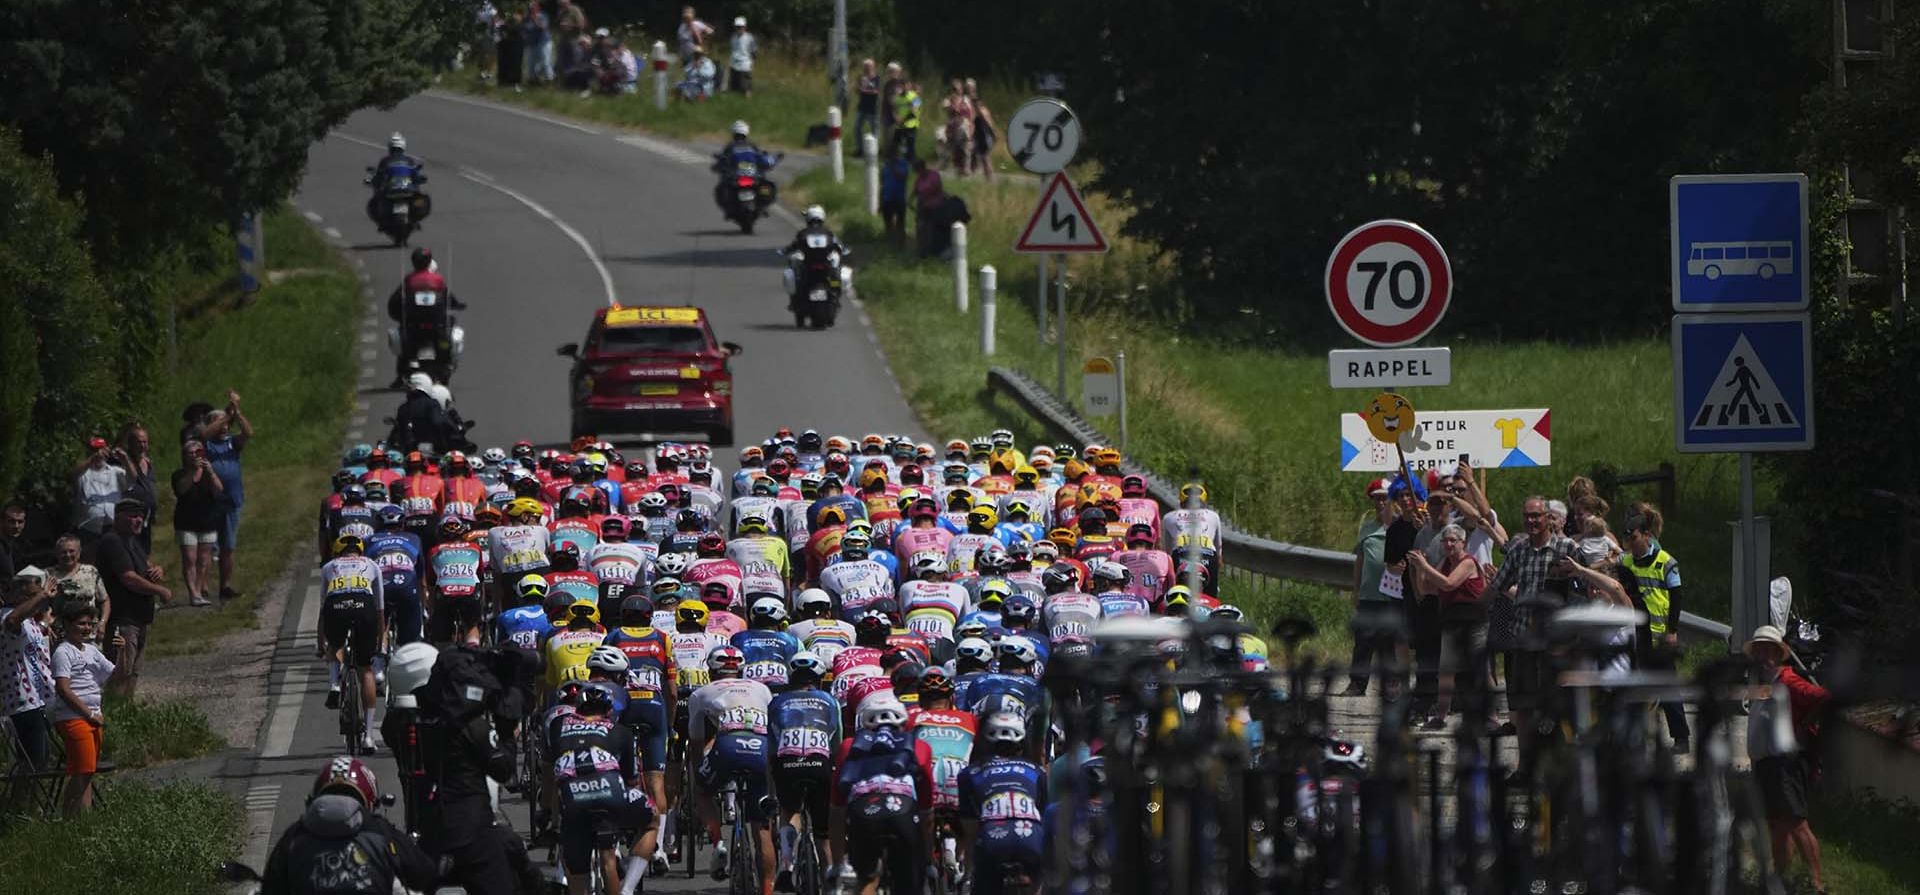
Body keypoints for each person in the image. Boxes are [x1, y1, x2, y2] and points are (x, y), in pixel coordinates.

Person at [261, 758, 438, 895]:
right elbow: (423, 873)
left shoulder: (295, 837)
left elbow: (271, 887)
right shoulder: (381, 832)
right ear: (369, 802)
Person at [1745, 625, 1829, 895]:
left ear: (1777, 653)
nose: (1762, 655)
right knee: (1776, 824)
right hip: (1766, 764)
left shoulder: (1788, 681)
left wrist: (1805, 723)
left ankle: (1815, 884)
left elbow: (1823, 698)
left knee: (1795, 822)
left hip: (1786, 764)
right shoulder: (1763, 683)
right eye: (1758, 650)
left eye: (1767, 650)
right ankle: (1779, 878)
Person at [686, 645, 777, 893]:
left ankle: (718, 844)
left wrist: (699, 775)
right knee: (762, 829)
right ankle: (768, 889)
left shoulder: (701, 693)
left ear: (711, 669)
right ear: (741, 668)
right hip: (761, 746)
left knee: (703, 792)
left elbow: (695, 741)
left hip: (727, 744)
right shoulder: (761, 688)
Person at [552, 681, 655, 895]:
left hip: (573, 797)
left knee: (576, 872)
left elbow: (550, 771)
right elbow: (631, 781)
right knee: (652, 821)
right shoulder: (622, 732)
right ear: (609, 711)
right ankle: (626, 889)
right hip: (609, 792)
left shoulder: (558, 725)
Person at [832, 695, 933, 895]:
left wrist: (837, 864)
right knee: (911, 886)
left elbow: (837, 810)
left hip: (864, 812)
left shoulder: (848, 747)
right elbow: (926, 811)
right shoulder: (919, 746)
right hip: (902, 812)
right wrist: (926, 858)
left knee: (866, 878)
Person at [768, 651, 842, 889]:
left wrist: (771, 790)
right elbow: (837, 743)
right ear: (819, 678)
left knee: (790, 811)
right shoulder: (829, 701)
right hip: (820, 764)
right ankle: (833, 880)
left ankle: (787, 863)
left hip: (787, 762)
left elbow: (771, 747)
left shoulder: (777, 701)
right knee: (824, 833)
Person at [1620, 504, 1691, 751]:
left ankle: (1681, 738)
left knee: (1667, 687)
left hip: (1660, 637)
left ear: (1647, 535)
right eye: (1627, 538)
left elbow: (1677, 597)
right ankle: (1634, 738)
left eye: (1635, 537)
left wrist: (1672, 631)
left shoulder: (1666, 562)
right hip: (1636, 635)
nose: (1631, 542)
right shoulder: (1625, 562)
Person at [1405, 524, 1485, 728]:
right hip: (1451, 621)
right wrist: (1418, 569)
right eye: (1445, 540)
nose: (1448, 544)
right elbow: (1425, 590)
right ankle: (1441, 716)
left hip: (1474, 621)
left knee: (1479, 669)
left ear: (1463, 543)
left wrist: (1425, 566)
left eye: (1453, 541)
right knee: (1446, 670)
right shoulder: (1444, 562)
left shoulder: (1467, 562)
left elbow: (1449, 584)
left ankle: (1489, 717)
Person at [959, 712, 1048, 895]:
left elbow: (970, 831)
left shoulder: (970, 773)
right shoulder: (1038, 771)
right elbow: (1043, 815)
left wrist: (968, 874)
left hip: (993, 838)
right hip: (1031, 837)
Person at [94, 498, 169, 698]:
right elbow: (128, 578)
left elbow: (145, 566)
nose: (138, 521)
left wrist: (157, 570)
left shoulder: (132, 541)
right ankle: (114, 710)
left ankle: (128, 709)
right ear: (118, 517)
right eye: (133, 516)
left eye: (141, 517)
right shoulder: (112, 541)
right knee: (121, 669)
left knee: (134, 670)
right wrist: (160, 591)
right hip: (123, 617)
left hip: (140, 617)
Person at [320, 534, 386, 752]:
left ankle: (334, 684)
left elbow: (323, 610)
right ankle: (368, 736)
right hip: (364, 606)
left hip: (336, 606)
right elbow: (380, 609)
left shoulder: (329, 567)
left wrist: (322, 643)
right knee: (365, 669)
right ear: (360, 552)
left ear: (338, 552)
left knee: (335, 645)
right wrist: (380, 640)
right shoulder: (371, 564)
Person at [50, 601, 112, 815]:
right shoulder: (63, 652)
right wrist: (89, 714)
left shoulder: (91, 650)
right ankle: (71, 816)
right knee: (82, 769)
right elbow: (63, 689)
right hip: (74, 717)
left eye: (89, 624)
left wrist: (122, 652)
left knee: (87, 771)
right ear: (67, 624)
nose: (87, 628)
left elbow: (115, 675)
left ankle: (83, 819)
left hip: (94, 716)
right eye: (81, 623)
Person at [1347, 478, 1404, 696]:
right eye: (1377, 499)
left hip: (1392, 593)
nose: (1381, 503)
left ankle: (1391, 683)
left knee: (1389, 641)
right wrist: (1356, 588)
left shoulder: (1399, 525)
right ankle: (1357, 683)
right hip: (1369, 593)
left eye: (1384, 498)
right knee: (1363, 640)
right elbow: (1360, 559)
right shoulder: (1367, 528)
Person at [386, 247, 467, 388]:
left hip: (414, 325)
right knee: (448, 332)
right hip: (436, 324)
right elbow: (449, 297)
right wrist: (457, 305)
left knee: (405, 346)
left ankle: (400, 376)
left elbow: (395, 301)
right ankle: (445, 367)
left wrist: (397, 313)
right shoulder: (438, 279)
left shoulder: (409, 280)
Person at [201, 390, 253, 603]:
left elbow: (248, 433)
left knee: (228, 546)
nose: (224, 425)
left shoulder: (231, 442)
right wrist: (226, 414)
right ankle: (202, 587)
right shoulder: (206, 443)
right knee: (206, 545)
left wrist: (236, 413)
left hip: (231, 500)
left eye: (225, 421)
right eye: (219, 421)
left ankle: (225, 586)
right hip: (210, 499)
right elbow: (204, 434)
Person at [1, 569, 56, 770]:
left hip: (40, 697)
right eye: (32, 597)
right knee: (33, 763)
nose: (38, 602)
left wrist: (43, 624)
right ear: (18, 594)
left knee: (43, 760)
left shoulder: (30, 620)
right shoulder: (7, 616)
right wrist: (42, 596)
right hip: (22, 700)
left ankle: (26, 801)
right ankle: (20, 800)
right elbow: (13, 622)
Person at [171, 440, 224, 605]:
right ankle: (193, 593)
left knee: (204, 559)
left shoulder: (208, 473)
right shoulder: (179, 474)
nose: (194, 456)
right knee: (189, 558)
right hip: (186, 523)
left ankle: (199, 590)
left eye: (198, 453)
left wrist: (211, 472)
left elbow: (218, 490)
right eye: (191, 453)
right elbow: (181, 490)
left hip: (207, 520)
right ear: (185, 456)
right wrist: (192, 472)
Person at [69, 436, 129, 540]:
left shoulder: (115, 471)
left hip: (113, 526)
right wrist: (92, 458)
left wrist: (125, 459)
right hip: (89, 528)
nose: (99, 453)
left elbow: (134, 478)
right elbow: (72, 474)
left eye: (101, 449)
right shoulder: (83, 473)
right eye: (95, 450)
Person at [389, 372, 458, 453]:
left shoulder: (403, 408)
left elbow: (398, 431)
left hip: (410, 453)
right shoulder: (432, 404)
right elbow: (438, 422)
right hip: (434, 450)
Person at [879, 152, 912, 248]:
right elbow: (882, 185)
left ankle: (901, 244)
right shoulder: (885, 168)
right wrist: (880, 201)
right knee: (888, 223)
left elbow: (902, 177)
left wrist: (893, 167)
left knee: (900, 223)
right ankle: (890, 243)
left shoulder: (903, 165)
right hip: (887, 198)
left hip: (899, 198)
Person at [940, 79, 973, 174]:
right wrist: (952, 105)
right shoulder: (949, 100)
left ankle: (966, 167)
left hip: (964, 125)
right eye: (954, 89)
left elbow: (971, 113)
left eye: (958, 88)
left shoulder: (966, 100)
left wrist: (971, 125)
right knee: (950, 146)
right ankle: (945, 165)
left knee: (966, 146)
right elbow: (945, 107)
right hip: (952, 125)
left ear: (962, 89)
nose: (957, 91)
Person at [966, 79, 996, 179]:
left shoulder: (982, 111)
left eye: (975, 103)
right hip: (980, 136)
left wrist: (993, 134)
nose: (973, 105)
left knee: (985, 158)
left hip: (983, 136)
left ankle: (989, 177)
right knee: (982, 157)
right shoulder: (979, 111)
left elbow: (988, 122)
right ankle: (986, 176)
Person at [853, 59, 881, 152]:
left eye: (868, 66)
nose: (866, 68)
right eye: (865, 66)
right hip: (861, 107)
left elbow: (876, 91)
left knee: (874, 130)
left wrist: (865, 90)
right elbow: (857, 90)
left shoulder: (876, 78)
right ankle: (860, 148)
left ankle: (874, 150)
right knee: (857, 127)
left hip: (872, 108)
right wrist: (858, 87)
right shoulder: (861, 77)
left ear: (873, 67)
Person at [891, 79, 922, 160]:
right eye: (902, 85)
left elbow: (914, 111)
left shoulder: (915, 96)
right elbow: (894, 108)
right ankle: (895, 161)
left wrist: (903, 120)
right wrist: (896, 117)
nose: (904, 87)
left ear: (909, 86)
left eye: (906, 85)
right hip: (900, 125)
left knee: (910, 145)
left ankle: (911, 162)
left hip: (911, 124)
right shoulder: (897, 97)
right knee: (895, 144)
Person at [726, 17, 756, 96]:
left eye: (741, 26)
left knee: (746, 84)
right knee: (734, 86)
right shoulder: (733, 37)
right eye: (737, 27)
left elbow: (753, 50)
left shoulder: (749, 37)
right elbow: (732, 50)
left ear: (745, 27)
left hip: (745, 63)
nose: (739, 28)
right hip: (734, 63)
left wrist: (753, 61)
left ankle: (748, 95)